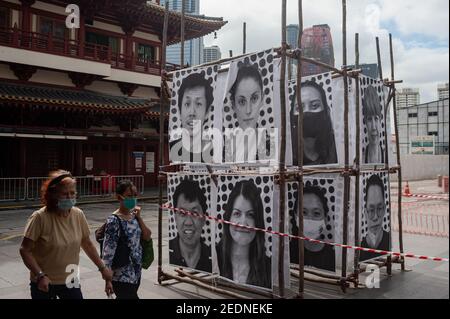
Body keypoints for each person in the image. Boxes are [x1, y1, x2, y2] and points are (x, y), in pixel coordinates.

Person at [19, 170, 113, 299]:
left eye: (72, 193)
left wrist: (102, 268)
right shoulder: (40, 217)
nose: (70, 197)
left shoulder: (78, 214)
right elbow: (25, 250)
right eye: (65, 194)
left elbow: (87, 243)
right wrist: (40, 275)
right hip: (44, 281)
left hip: (71, 277)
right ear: (53, 195)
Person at [102, 180, 152, 299]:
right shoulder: (114, 221)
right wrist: (107, 279)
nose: (133, 199)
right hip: (121, 274)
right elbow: (108, 252)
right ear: (119, 197)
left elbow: (147, 236)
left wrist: (139, 218)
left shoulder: (134, 217)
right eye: (129, 196)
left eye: (135, 195)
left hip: (136, 271)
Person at [217, 180, 271, 289]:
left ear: (258, 221)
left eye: (250, 215)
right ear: (228, 218)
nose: (243, 223)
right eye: (237, 214)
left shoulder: (269, 268)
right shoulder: (213, 257)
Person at [290, 81, 338, 166]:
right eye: (299, 108)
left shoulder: (338, 149)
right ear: (292, 115)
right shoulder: (287, 152)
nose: (306, 112)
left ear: (326, 111)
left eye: (315, 105)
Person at [170, 73, 214, 163]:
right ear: (179, 110)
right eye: (187, 104)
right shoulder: (171, 149)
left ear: (207, 112)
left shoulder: (215, 151)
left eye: (198, 104)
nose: (192, 113)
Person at [290, 184, 336, 272]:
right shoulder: (287, 253)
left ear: (325, 220)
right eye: (304, 212)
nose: (310, 219)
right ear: (296, 216)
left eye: (316, 213)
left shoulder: (333, 258)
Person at [169, 179, 212, 273]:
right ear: (175, 217)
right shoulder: (169, 250)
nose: (188, 222)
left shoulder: (214, 257)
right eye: (182, 213)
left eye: (195, 213)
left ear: (204, 219)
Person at [360, 175, 390, 261]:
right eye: (371, 210)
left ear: (384, 209)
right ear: (365, 212)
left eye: (379, 208)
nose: (376, 217)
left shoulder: (388, 241)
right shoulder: (359, 249)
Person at [363, 85, 385, 164]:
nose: (373, 127)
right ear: (365, 122)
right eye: (369, 119)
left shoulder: (387, 157)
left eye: (376, 119)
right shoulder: (361, 158)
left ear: (380, 120)